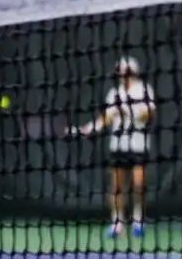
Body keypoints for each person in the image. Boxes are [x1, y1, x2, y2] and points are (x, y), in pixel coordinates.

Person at [69, 56, 156, 238]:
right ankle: (117, 223)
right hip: (118, 145)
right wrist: (89, 128)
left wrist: (127, 111)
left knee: (139, 184)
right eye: (120, 72)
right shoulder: (113, 93)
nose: (123, 75)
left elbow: (149, 114)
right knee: (116, 187)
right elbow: (106, 119)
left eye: (126, 72)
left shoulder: (144, 90)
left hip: (138, 144)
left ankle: (138, 221)